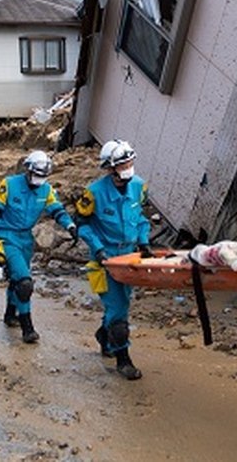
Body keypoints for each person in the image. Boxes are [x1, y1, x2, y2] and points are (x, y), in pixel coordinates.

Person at [75, 139, 151, 380]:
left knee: (123, 303)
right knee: (118, 310)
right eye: (123, 163)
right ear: (110, 168)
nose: (129, 166)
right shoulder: (94, 193)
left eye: (130, 161)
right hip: (105, 260)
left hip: (130, 256)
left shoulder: (139, 187)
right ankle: (123, 360)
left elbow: (140, 217)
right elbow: (83, 225)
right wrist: (98, 249)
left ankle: (103, 335)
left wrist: (144, 241)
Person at [0, 150, 77, 343]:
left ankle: (10, 314)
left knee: (16, 279)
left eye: (43, 176)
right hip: (6, 236)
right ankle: (27, 327)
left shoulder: (46, 190)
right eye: (36, 175)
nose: (39, 180)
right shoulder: (9, 185)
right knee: (25, 283)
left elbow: (57, 210)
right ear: (28, 170)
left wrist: (70, 225)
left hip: (26, 239)